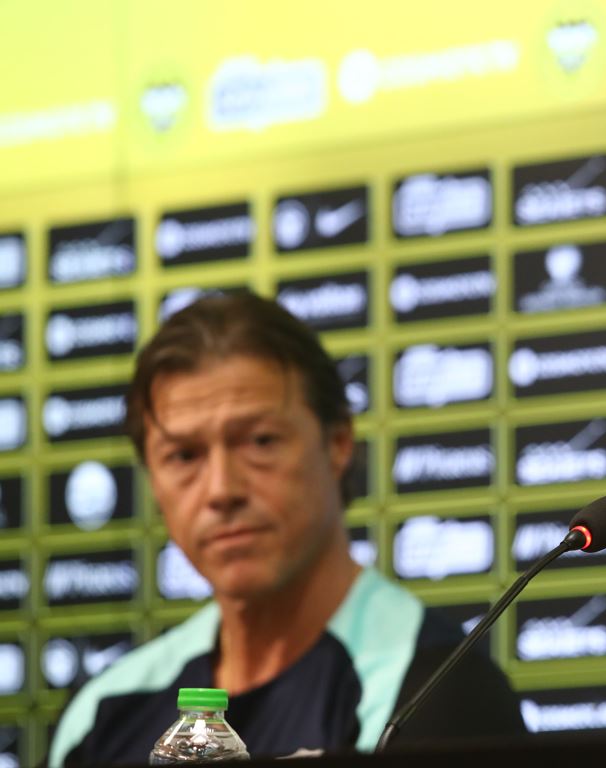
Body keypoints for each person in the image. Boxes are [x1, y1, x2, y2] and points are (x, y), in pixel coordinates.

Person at [48, 294, 525, 766]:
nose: (221, 489)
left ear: (338, 443)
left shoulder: (436, 693)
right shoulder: (101, 714)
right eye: (184, 455)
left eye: (260, 441)